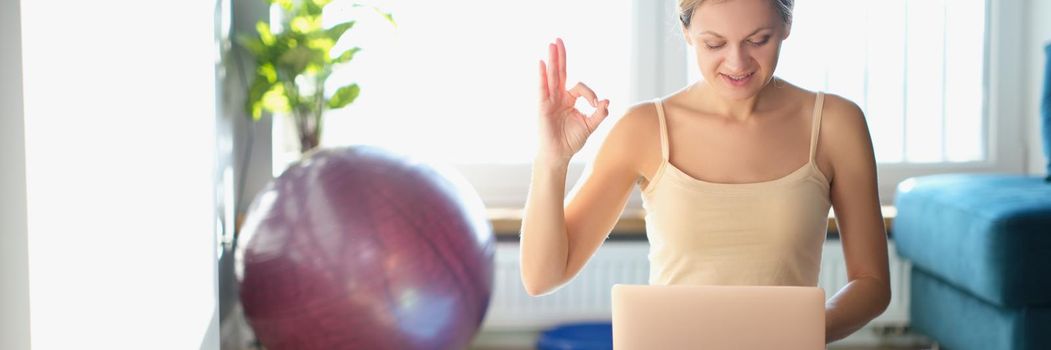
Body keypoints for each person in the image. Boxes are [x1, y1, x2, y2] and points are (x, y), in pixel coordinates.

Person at [519, 0, 891, 344]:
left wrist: (798, 331)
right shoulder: (644, 129)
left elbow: (872, 283)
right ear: (686, 32)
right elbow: (542, 276)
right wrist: (552, 160)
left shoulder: (836, 125)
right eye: (714, 44)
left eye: (758, 40)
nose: (737, 62)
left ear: (786, 24)